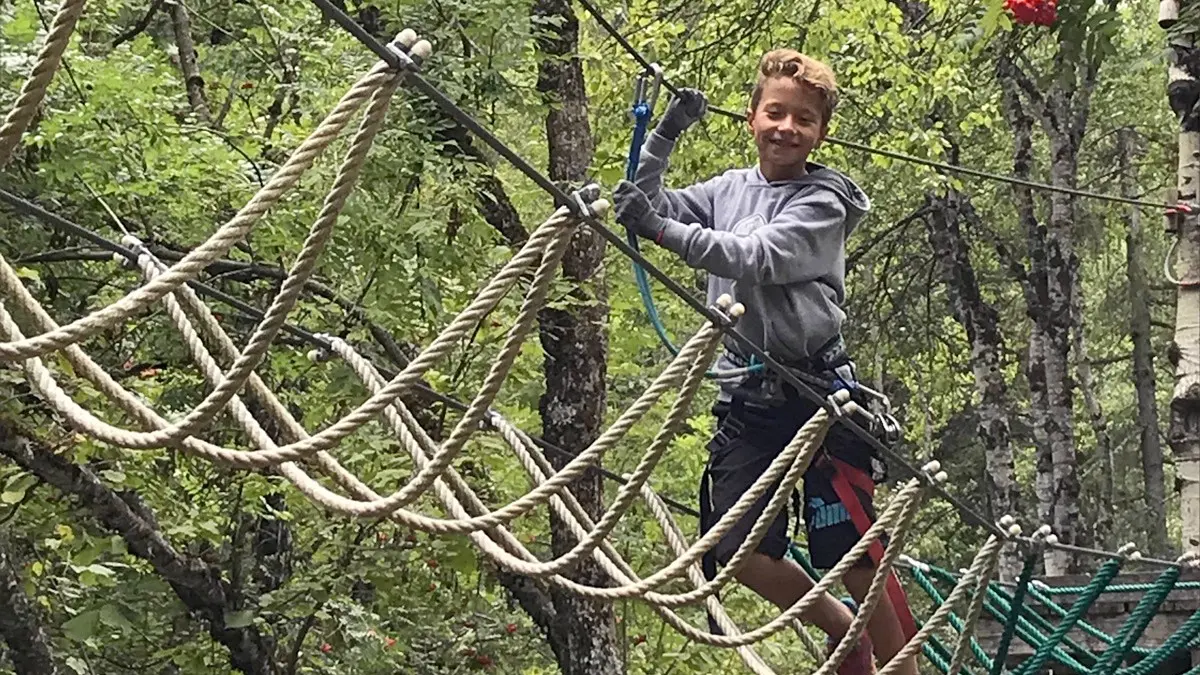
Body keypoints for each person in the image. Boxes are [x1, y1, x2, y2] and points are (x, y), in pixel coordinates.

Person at [611, 49, 918, 675]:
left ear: (819, 133)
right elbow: (653, 206)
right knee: (731, 549)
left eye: (802, 119)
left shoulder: (824, 204)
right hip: (751, 400)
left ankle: (906, 670)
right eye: (774, 112)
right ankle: (841, 631)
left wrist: (660, 230)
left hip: (821, 398)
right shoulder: (729, 189)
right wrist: (665, 133)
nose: (786, 127)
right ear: (751, 117)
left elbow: (756, 256)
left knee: (856, 554)